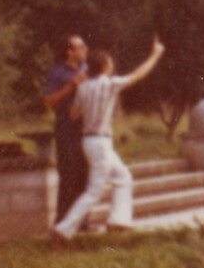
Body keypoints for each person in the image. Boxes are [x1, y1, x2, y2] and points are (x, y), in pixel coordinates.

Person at [51, 37, 166, 241]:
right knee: (93, 192)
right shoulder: (110, 84)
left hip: (89, 141)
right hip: (101, 143)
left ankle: (118, 222)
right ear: (104, 66)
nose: (112, 66)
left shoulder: (83, 87)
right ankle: (62, 230)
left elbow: (73, 114)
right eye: (110, 63)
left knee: (123, 178)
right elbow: (138, 75)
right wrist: (155, 55)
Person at [41, 34, 90, 227]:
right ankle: (61, 222)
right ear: (69, 52)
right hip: (66, 129)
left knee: (84, 175)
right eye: (81, 47)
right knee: (68, 175)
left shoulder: (88, 70)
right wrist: (71, 86)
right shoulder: (57, 73)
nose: (85, 50)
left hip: (86, 129)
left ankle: (82, 223)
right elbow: (48, 102)